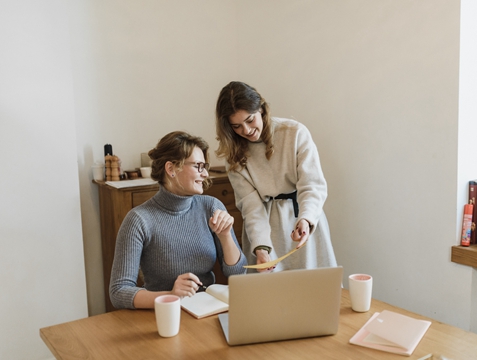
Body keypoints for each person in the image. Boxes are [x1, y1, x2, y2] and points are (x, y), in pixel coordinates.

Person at [110, 131, 247, 309]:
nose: (205, 173)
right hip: (162, 314)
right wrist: (171, 296)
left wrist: (226, 236)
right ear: (171, 169)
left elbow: (239, 275)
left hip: (207, 311)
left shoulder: (211, 207)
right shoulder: (139, 220)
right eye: (198, 166)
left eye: (204, 166)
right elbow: (118, 292)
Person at [215, 81, 337, 273]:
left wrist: (305, 219)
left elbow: (312, 185)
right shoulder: (234, 155)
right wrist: (261, 248)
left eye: (249, 120)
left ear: (262, 109)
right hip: (264, 230)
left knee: (313, 290)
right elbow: (251, 207)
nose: (246, 131)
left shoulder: (294, 133)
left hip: (302, 216)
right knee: (268, 296)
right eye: (236, 126)